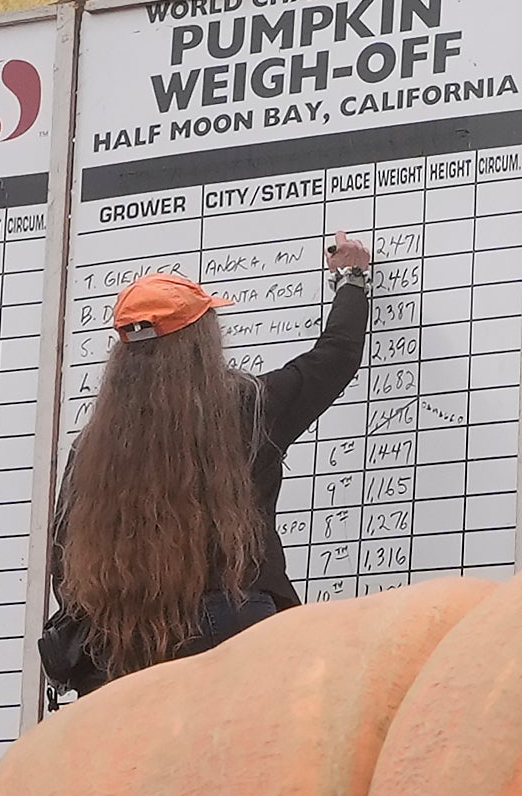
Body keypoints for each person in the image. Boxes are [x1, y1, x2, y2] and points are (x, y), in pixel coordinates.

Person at [41, 233, 371, 701]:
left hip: (124, 646)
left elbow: (64, 565)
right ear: (201, 342)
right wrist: (351, 280)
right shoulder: (246, 410)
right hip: (232, 629)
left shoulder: (92, 450)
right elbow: (334, 358)